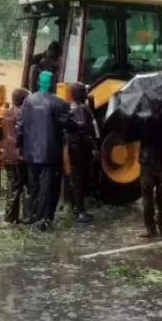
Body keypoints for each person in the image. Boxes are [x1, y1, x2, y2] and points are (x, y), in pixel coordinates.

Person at [17, 70, 68, 230]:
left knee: (34, 186)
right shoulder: (59, 103)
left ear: (38, 82)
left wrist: (20, 146)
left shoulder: (28, 101)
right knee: (48, 187)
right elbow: (69, 124)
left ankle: (33, 216)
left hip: (31, 153)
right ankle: (43, 219)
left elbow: (20, 126)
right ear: (53, 83)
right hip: (50, 154)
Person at [64, 82, 97, 224]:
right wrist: (93, 147)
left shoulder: (70, 107)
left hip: (73, 147)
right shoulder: (81, 109)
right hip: (80, 148)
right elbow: (85, 130)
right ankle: (79, 211)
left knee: (75, 178)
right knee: (79, 179)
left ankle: (76, 208)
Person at [0, 88, 30, 225]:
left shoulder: (5, 113)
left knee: (12, 186)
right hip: (19, 155)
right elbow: (22, 134)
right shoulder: (22, 114)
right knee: (22, 187)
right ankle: (21, 217)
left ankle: (11, 217)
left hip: (7, 155)